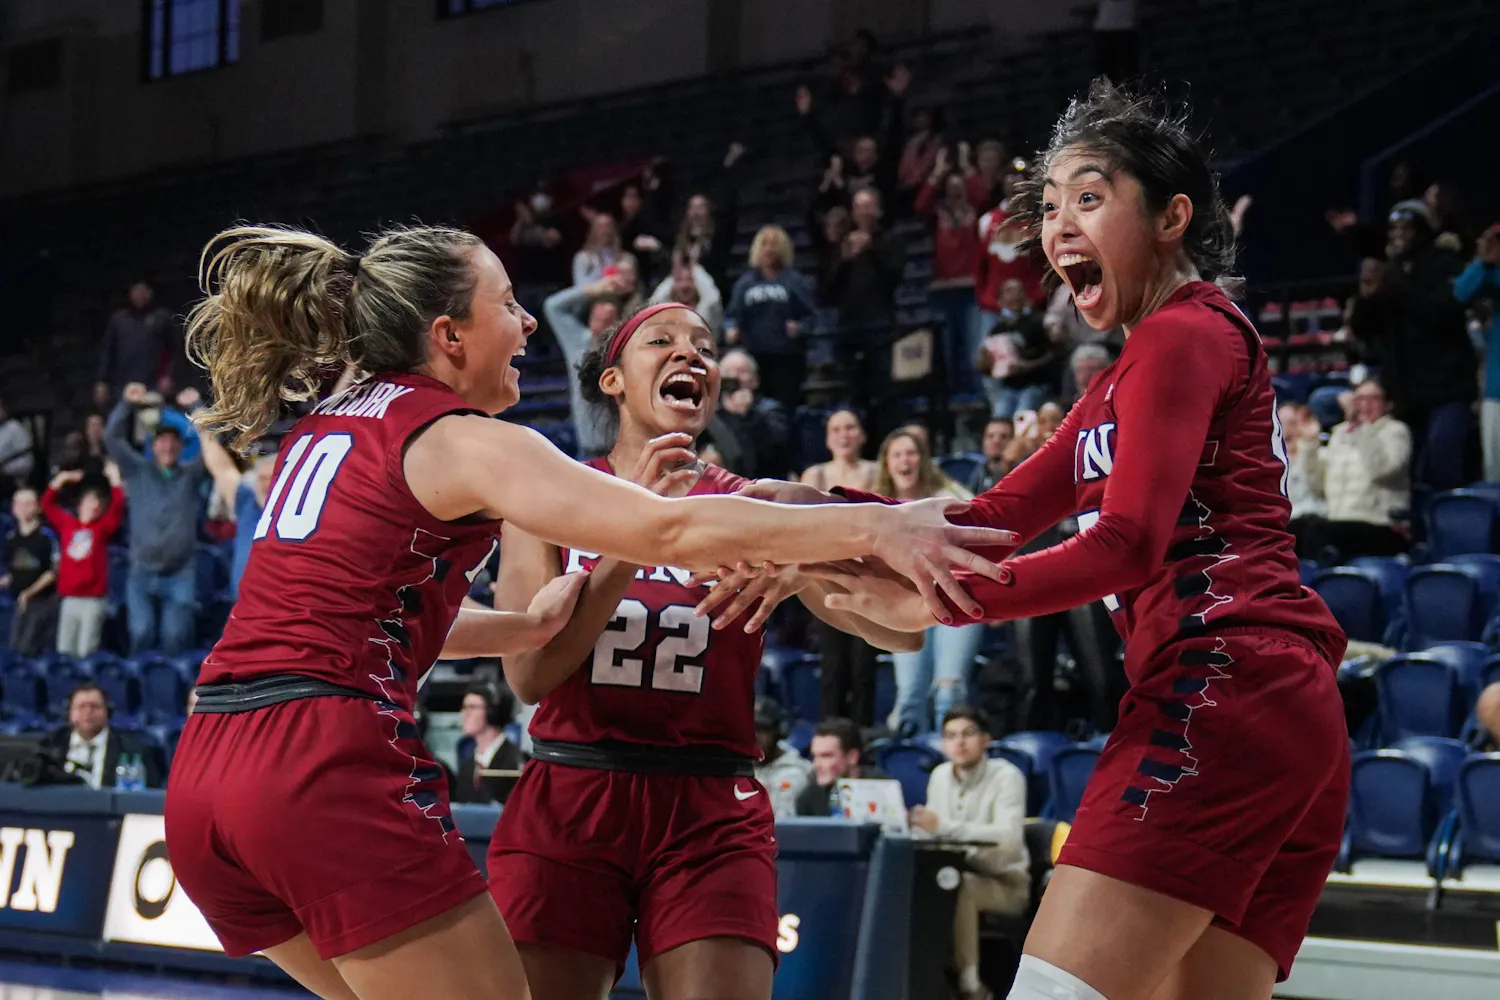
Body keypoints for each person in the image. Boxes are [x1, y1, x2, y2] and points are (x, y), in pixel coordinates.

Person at [164, 223, 1013, 1000]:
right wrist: (878, 522)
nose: (529, 322)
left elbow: (367, 610)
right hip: (345, 764)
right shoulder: (470, 441)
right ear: (449, 336)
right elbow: (667, 529)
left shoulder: (325, 426)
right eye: (508, 303)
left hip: (209, 770)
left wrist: (524, 625)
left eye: (703, 345)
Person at [777, 81, 1351, 1000]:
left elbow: (1125, 546)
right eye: (1048, 207)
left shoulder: (1182, 333)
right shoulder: (1124, 374)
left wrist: (941, 599)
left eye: (1088, 197)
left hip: (1219, 682)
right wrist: (806, 518)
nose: (1058, 226)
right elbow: (990, 518)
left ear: (1172, 217)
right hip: (1281, 708)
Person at [487, 299, 925, 1000]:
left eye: (705, 346)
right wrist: (636, 538)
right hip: (572, 789)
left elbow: (903, 632)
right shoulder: (549, 500)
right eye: (662, 340)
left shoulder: (754, 509)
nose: (691, 354)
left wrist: (805, 568)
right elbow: (529, 677)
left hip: (709, 803)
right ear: (612, 380)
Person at [874, 429, 985, 735]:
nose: (905, 461)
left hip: (956, 595)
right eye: (897, 455)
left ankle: (951, 756)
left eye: (911, 453)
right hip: (906, 603)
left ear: (923, 460)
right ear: (887, 464)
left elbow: (984, 536)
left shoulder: (950, 496)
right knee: (910, 694)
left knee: (949, 690)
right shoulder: (875, 506)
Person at [916, 705, 1030, 1000]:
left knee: (958, 886)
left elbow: (1008, 838)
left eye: (968, 734)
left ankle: (971, 986)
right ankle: (921, 979)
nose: (960, 742)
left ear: (986, 739)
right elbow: (933, 834)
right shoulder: (940, 775)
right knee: (924, 883)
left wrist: (944, 827)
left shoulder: (1007, 776)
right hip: (955, 870)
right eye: (951, 736)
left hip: (1007, 883)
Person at [105, 385, 211, 654]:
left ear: (180, 447)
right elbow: (112, 438)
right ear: (153, 447)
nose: (168, 446)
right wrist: (126, 404)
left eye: (174, 441)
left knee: (176, 638)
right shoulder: (136, 470)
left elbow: (213, 444)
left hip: (180, 572)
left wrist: (196, 407)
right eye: (162, 441)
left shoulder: (191, 475)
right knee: (141, 633)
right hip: (141, 571)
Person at [800, 410, 882, 725]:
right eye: (836, 429)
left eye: (850, 428)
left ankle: (861, 737)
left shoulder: (877, 471)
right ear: (827, 439)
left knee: (864, 666)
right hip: (826, 577)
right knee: (833, 666)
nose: (844, 435)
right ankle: (831, 734)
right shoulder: (815, 475)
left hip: (869, 576)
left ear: (862, 434)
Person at [723, 226, 817, 412]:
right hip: (754, 357)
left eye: (774, 244)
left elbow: (811, 317)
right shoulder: (745, 283)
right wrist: (731, 328)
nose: (769, 249)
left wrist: (799, 327)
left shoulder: (794, 281)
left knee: (784, 407)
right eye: (765, 244)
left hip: (787, 357)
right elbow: (732, 315)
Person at [42, 468, 125, 658]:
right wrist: (61, 479)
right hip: (69, 598)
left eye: (98, 502)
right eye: (90, 500)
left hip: (93, 600)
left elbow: (118, 506)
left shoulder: (102, 528)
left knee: (86, 650)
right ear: (80, 503)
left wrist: (115, 480)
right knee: (64, 650)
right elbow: (47, 504)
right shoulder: (67, 524)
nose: (94, 505)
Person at [198, 415, 275, 599]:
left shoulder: (293, 510)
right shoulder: (247, 502)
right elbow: (222, 468)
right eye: (262, 478)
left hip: (276, 607)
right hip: (241, 606)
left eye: (272, 478)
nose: (266, 485)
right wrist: (203, 428)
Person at [42, 682, 164, 790]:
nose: (88, 712)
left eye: (94, 707)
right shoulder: (50, 745)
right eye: (81, 707)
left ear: (108, 712)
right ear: (69, 712)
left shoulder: (133, 750)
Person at [1456, 223, 1500, 480]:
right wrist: (1483, 262)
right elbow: (1460, 294)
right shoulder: (1492, 272)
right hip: (1497, 392)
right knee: (1496, 480)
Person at [1, 487, 58, 656]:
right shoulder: (11, 538)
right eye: (19, 504)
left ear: (37, 507)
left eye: (28, 503)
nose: (23, 508)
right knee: (14, 647)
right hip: (18, 601)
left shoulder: (46, 537)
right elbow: (13, 572)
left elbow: (52, 572)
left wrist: (29, 593)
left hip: (42, 602)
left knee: (27, 648)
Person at [793, 716, 884, 816]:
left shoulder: (881, 789)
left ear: (852, 757)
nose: (816, 765)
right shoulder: (809, 797)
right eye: (815, 756)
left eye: (826, 756)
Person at [453, 681, 524, 805]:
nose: (464, 714)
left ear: (492, 712)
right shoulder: (467, 765)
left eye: (472, 707)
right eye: (464, 708)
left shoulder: (515, 762)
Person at [752, 697, 812, 818]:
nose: (754, 736)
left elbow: (784, 821)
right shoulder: (733, 768)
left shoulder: (795, 771)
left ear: (777, 732)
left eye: (762, 730)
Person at [966, 418, 1015, 495]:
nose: (996, 441)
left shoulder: (1022, 473)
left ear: (1014, 441)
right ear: (983, 441)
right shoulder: (974, 473)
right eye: (990, 436)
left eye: (1004, 436)